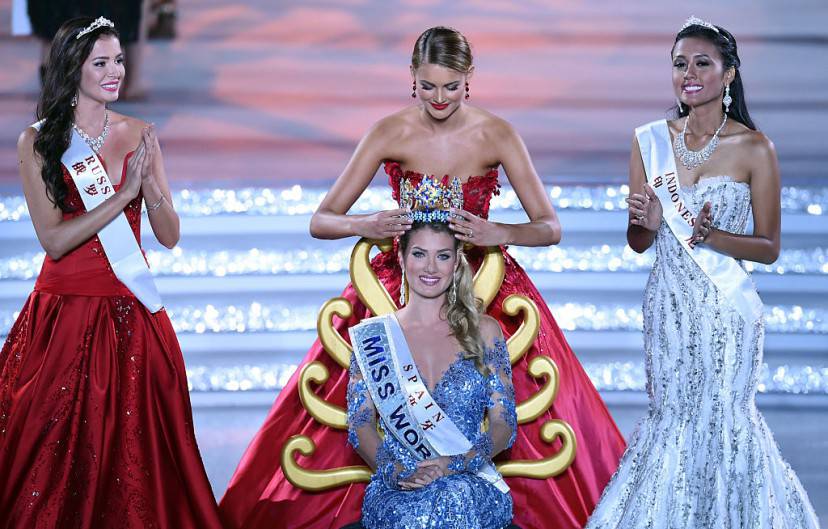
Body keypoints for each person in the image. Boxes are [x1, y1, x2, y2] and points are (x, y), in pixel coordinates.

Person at [220, 26, 625, 529]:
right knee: (357, 410)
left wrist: (496, 229)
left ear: (469, 80)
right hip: (401, 287)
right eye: (428, 86)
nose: (439, 97)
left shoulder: (497, 134)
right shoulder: (390, 131)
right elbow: (321, 219)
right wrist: (364, 225)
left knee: (532, 417)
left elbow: (550, 228)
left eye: (451, 87)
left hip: (485, 289)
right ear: (411, 78)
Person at [585, 17, 820, 528]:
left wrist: (712, 237)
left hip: (726, 313)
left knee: (725, 420)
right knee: (672, 420)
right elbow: (638, 241)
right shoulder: (649, 141)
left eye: (702, 63)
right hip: (667, 306)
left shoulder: (755, 148)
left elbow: (769, 248)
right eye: (679, 64)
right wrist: (644, 224)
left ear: (729, 74)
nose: (688, 74)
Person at [0, 17, 223, 528]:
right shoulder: (37, 143)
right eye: (100, 63)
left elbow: (168, 235)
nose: (114, 71)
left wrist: (151, 192)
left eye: (118, 60)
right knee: (49, 443)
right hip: (63, 313)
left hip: (130, 313)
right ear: (71, 69)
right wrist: (122, 197)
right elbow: (54, 239)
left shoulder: (141, 135)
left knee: (135, 453)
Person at [348, 218, 516, 529]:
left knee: (455, 497)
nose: (431, 267)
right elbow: (360, 425)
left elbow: (503, 425)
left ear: (456, 263)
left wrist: (457, 463)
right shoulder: (373, 338)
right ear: (401, 258)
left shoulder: (485, 331)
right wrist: (396, 471)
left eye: (442, 256)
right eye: (419, 254)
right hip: (398, 484)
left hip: (468, 479)